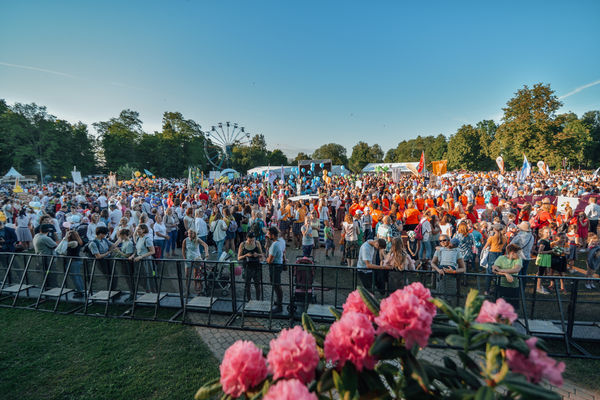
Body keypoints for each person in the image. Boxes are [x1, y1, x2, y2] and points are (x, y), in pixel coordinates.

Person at [431, 236, 466, 302]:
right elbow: (432, 263)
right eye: (440, 241)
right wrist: (438, 270)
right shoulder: (439, 250)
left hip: (451, 278)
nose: (442, 242)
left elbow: (463, 269)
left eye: (444, 240)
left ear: (449, 240)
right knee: (440, 298)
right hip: (441, 277)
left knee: (450, 299)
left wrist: (453, 271)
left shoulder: (456, 251)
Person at [492, 243, 523, 309]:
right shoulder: (501, 258)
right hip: (501, 285)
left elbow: (516, 269)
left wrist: (500, 270)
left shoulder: (518, 259)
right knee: (500, 307)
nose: (520, 255)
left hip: (514, 286)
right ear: (512, 253)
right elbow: (494, 269)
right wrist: (506, 274)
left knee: (513, 307)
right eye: (518, 253)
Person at [88, 226, 118, 291]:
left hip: (108, 259)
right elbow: (98, 256)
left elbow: (113, 245)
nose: (106, 235)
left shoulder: (104, 240)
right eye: (105, 234)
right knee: (108, 276)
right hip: (102, 261)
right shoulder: (93, 243)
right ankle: (110, 291)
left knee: (114, 275)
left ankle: (114, 290)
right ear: (101, 234)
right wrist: (109, 252)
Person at [182, 229, 209, 296]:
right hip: (188, 259)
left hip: (196, 259)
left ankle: (196, 288)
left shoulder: (197, 239)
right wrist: (185, 258)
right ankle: (187, 290)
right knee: (187, 275)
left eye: (191, 233)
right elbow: (183, 250)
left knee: (196, 274)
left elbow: (205, 245)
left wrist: (206, 253)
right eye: (188, 233)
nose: (190, 235)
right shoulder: (185, 240)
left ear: (194, 234)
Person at [238, 231, 263, 301]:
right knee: (247, 285)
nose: (251, 242)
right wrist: (246, 255)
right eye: (250, 240)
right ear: (247, 238)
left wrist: (257, 255)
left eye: (253, 240)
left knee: (257, 285)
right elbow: (238, 258)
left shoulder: (257, 243)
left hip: (256, 267)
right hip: (247, 267)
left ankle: (258, 300)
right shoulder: (242, 244)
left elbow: (262, 255)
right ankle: (249, 300)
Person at [130, 224, 156, 292]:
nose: (137, 231)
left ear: (143, 230)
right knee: (141, 278)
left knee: (147, 277)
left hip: (146, 261)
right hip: (139, 261)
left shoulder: (147, 239)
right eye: (137, 229)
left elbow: (152, 251)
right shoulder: (138, 238)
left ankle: (150, 292)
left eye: (139, 229)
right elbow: (137, 249)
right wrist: (133, 255)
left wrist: (141, 256)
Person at [266, 227, 286, 313]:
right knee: (277, 285)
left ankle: (279, 305)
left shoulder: (275, 245)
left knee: (276, 286)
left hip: (275, 267)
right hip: (279, 265)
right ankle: (278, 302)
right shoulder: (281, 241)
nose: (267, 235)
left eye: (269, 234)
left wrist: (265, 258)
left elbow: (270, 260)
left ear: (273, 235)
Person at [535, 228, 553, 295]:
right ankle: (538, 288)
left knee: (540, 272)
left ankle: (538, 285)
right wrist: (550, 251)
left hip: (546, 257)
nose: (549, 234)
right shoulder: (543, 241)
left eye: (549, 232)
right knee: (540, 273)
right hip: (543, 258)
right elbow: (540, 251)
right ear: (542, 233)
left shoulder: (547, 240)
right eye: (547, 232)